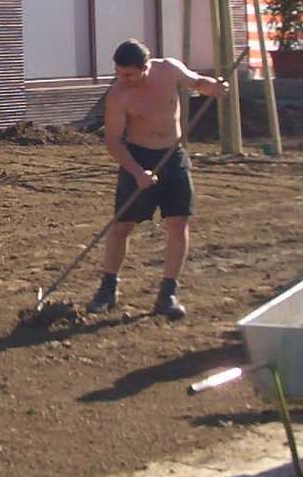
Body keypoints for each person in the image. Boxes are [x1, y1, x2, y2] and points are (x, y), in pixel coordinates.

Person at [88, 39, 231, 320]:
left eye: (128, 74)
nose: (122, 79)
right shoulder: (118, 95)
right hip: (138, 158)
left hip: (172, 156)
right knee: (122, 226)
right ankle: (108, 289)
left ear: (145, 67)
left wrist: (214, 87)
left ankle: (168, 294)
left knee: (178, 223)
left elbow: (197, 82)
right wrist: (137, 172)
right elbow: (113, 142)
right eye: (118, 72)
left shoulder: (169, 70)